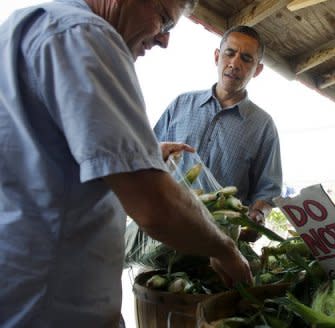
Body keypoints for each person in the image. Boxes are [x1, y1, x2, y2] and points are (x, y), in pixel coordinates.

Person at [0, 1, 252, 326]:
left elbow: (40, 150)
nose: (164, 40)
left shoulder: (22, 27)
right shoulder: (86, 34)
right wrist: (225, 249)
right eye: (163, 20)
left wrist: (139, 154)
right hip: (51, 310)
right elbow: (156, 205)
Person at [154, 25, 283, 242]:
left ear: (257, 70)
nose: (235, 63)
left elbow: (267, 191)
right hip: (164, 229)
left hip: (219, 243)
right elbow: (147, 156)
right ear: (217, 56)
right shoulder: (181, 105)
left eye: (246, 58)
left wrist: (258, 215)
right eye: (229, 53)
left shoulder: (263, 126)